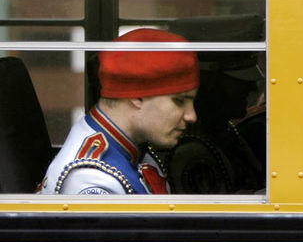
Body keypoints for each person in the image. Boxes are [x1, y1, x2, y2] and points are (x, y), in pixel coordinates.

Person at [39, 28, 198, 195]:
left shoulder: (131, 149)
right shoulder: (91, 179)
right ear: (137, 96)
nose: (191, 116)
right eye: (179, 101)